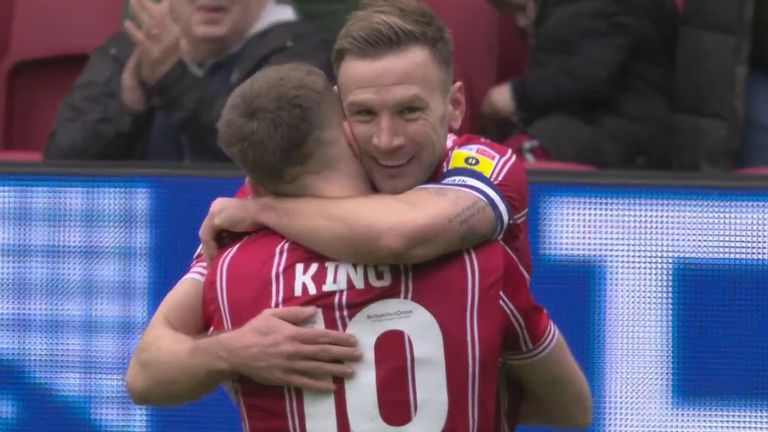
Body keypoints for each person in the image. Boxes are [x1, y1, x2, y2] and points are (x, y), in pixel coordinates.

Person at [132, 0, 592, 427]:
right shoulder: (262, 199)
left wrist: (268, 209)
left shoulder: (480, 166)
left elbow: (402, 235)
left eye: (409, 111)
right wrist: (233, 350)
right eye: (365, 114)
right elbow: (144, 372)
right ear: (337, 110)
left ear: (454, 107)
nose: (387, 140)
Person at [44, 0, 333, 162]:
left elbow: (271, 153)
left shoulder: (301, 51)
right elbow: (62, 163)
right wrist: (129, 102)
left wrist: (171, 79)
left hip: (247, 242)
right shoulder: (129, 50)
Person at [480, 0, 677, 169]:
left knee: (516, 159)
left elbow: (589, 76)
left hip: (623, 138)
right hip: (600, 128)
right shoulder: (571, 12)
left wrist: (517, 94)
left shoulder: (605, 10)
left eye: (521, 9)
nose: (520, 22)